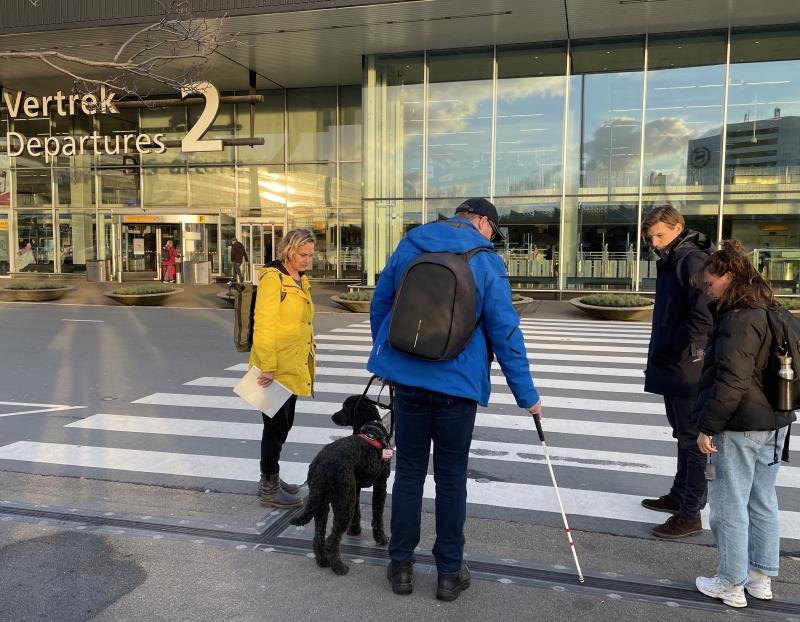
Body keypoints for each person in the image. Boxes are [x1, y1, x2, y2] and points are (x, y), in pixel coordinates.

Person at [368, 197, 542, 602]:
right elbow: (505, 332)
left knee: (409, 471)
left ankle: (401, 567)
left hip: (408, 381)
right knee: (450, 477)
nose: (492, 238)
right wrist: (527, 395)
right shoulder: (485, 260)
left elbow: (382, 304)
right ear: (481, 221)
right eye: (492, 230)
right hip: (457, 386)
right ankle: (448, 573)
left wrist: (392, 358)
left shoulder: (412, 243)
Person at [694, 240, 795, 608]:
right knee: (763, 501)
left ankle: (730, 583)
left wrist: (707, 426)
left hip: (740, 425)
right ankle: (760, 577)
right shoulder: (773, 309)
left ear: (729, 275)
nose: (708, 290)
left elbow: (733, 381)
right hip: (777, 421)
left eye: (710, 283)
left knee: (729, 505)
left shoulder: (738, 318)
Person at [641, 205, 714, 539]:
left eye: (660, 235)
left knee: (692, 438)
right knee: (682, 435)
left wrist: (672, 346)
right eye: (650, 237)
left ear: (678, 228)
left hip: (688, 363)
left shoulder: (691, 260)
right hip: (678, 362)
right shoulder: (676, 258)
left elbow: (703, 316)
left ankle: (691, 513)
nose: (654, 242)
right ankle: (679, 496)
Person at [249, 228, 316, 509]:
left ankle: (272, 477)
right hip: (275, 368)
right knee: (274, 429)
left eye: (311, 255)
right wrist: (267, 367)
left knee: (284, 425)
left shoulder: (299, 279)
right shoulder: (273, 279)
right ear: (288, 250)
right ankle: (269, 488)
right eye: (303, 254)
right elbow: (263, 325)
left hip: (294, 365)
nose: (308, 260)